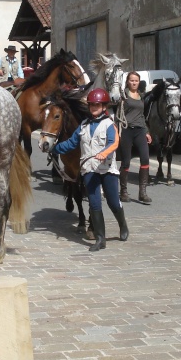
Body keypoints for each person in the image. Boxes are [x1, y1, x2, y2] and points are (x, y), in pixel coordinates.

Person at [52, 88, 129, 251]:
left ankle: (123, 225)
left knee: (113, 202)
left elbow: (114, 142)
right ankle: (100, 239)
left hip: (107, 169)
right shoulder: (84, 125)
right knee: (94, 204)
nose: (94, 107)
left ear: (103, 106)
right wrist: (54, 148)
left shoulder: (109, 124)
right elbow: (72, 143)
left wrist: (104, 153)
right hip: (89, 170)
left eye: (97, 105)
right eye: (91, 105)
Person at [118, 71, 153, 204]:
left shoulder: (141, 96)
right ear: (127, 82)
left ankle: (142, 193)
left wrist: (147, 132)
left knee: (145, 159)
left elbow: (142, 116)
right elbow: (118, 114)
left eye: (136, 80)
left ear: (139, 82)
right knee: (126, 161)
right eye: (131, 80)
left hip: (140, 131)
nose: (134, 82)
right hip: (127, 130)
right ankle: (123, 191)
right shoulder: (123, 96)